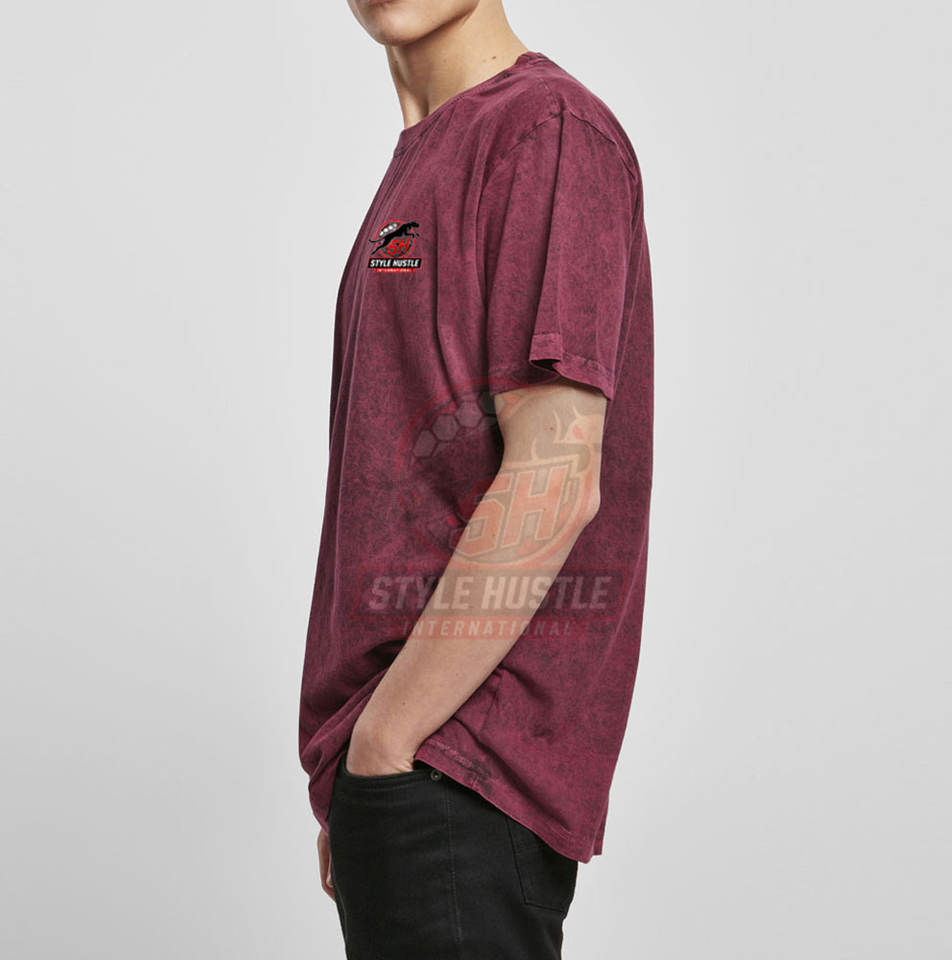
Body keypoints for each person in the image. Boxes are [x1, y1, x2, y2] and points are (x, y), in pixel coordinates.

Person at [297, 1, 653, 956]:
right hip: (406, 772)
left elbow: (556, 477)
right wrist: (361, 766)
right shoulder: (428, 154)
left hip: (461, 765)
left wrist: (389, 741)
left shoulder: (547, 131)